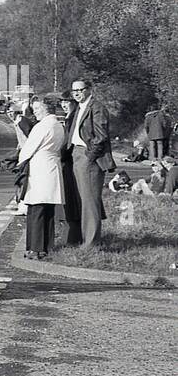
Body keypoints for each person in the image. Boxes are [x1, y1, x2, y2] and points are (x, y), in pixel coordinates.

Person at [61, 79, 114, 247]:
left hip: (87, 156)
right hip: (75, 154)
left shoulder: (97, 107)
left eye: (80, 90)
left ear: (89, 90)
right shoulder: (78, 107)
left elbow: (101, 136)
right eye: (74, 91)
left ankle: (91, 243)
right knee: (80, 200)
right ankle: (81, 238)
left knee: (89, 201)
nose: (76, 93)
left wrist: (90, 156)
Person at [18, 99, 66, 259]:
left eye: (38, 108)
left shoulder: (42, 126)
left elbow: (28, 149)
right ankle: (47, 247)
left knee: (36, 210)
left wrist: (18, 163)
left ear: (46, 108)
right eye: (34, 108)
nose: (35, 111)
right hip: (52, 167)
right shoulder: (58, 125)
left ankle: (35, 248)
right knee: (48, 210)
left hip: (39, 168)